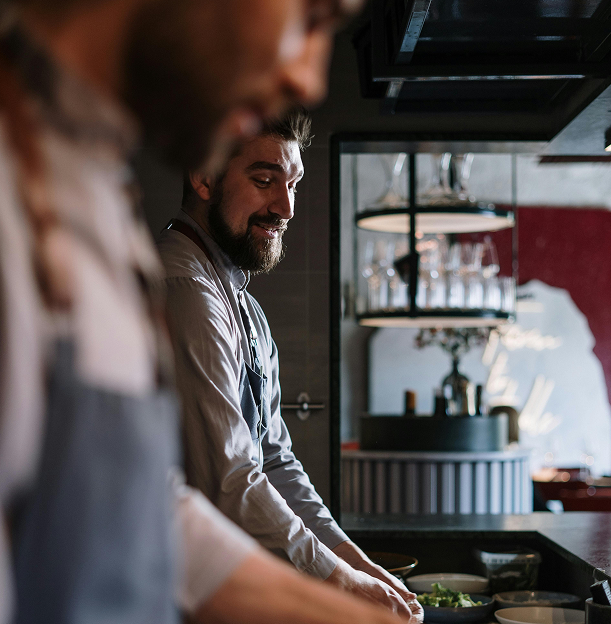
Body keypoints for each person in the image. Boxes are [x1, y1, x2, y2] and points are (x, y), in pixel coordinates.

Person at [0, 1, 415, 624]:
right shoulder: (22, 187)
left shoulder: (94, 187)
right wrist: (339, 587)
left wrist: (351, 585)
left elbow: (149, 509)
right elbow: (228, 481)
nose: (308, 78)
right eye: (310, 16)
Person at [157, 108, 423, 623]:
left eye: (293, 184)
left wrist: (358, 565)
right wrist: (338, 582)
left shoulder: (243, 306)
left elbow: (274, 462)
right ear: (204, 176)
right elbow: (231, 479)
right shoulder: (187, 291)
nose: (286, 207)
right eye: (264, 180)